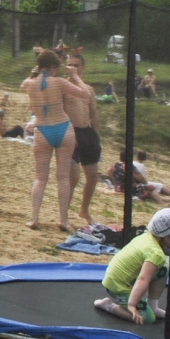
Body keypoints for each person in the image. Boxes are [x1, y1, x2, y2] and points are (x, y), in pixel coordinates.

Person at [21, 50, 92, 231]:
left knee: (40, 178)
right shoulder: (59, 82)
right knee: (63, 178)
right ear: (53, 67)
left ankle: (34, 218)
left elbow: (23, 84)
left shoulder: (29, 84)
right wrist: (75, 76)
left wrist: (34, 73)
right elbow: (86, 94)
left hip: (42, 130)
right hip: (63, 128)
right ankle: (63, 220)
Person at [94, 208, 170, 325]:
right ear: (167, 236)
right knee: (146, 318)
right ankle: (109, 306)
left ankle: (152, 306)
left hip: (124, 277)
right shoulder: (156, 253)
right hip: (118, 286)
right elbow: (143, 279)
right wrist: (132, 305)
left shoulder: (147, 236)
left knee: (163, 270)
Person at [65, 54, 102, 225]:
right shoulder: (63, 86)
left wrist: (95, 134)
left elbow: (93, 112)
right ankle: (64, 213)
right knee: (73, 177)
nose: (72, 68)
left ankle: (84, 210)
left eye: (76, 65)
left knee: (92, 176)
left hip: (87, 132)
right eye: (70, 65)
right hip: (70, 131)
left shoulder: (88, 89)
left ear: (83, 67)